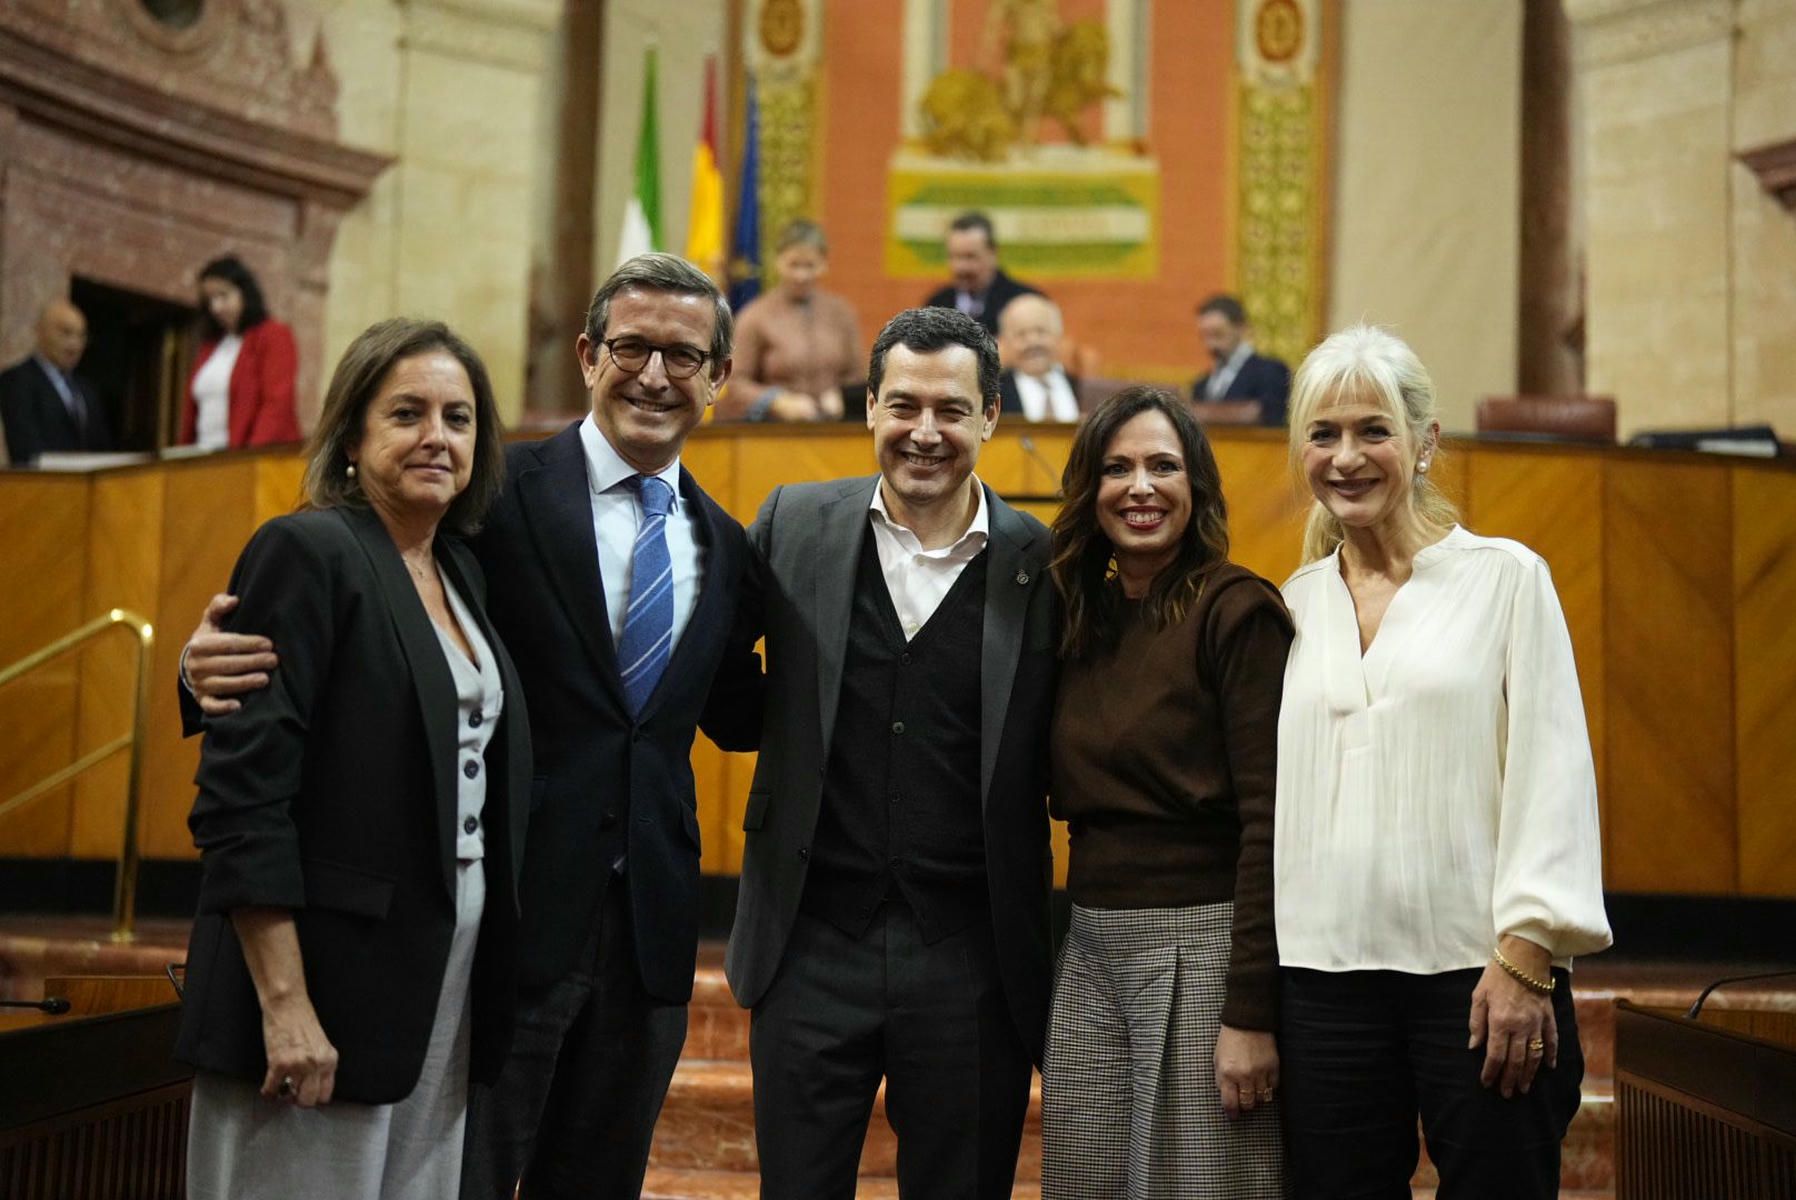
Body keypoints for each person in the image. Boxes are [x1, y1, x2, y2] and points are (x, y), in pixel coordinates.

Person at [179, 253, 762, 1200]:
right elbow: (341, 605)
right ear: (587, 354)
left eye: (684, 356)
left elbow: (743, 711)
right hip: (503, 927)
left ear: (720, 378)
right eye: (633, 347)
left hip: (648, 939)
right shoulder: (484, 494)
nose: (656, 374)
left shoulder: (726, 543)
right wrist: (194, 667)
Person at [175, 317, 529, 1200]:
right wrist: (286, 1005)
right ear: (352, 435)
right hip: (318, 985)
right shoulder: (308, 550)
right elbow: (243, 798)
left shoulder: (457, 570)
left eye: (458, 417)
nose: (435, 438)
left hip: (436, 982)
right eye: (406, 413)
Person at [721, 306, 1058, 1200]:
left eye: (951, 410)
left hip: (971, 961)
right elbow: (715, 680)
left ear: (991, 416)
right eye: (902, 404)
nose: (924, 432)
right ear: (869, 405)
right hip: (809, 943)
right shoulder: (793, 524)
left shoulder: (1043, 563)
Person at [1275, 324, 1612, 1199]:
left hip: (1480, 976)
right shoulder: (1290, 605)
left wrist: (1527, 954)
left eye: (1372, 430)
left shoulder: (1505, 578)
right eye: (1324, 434)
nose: (1347, 457)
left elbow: (1553, 773)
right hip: (1322, 983)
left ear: (1424, 443)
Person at [1041, 386, 1289, 1198]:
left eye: (1162, 465)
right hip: (1089, 950)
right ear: (1089, 488)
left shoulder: (1237, 610)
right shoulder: (1079, 615)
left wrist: (1250, 1009)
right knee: (1086, 1184)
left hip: (1205, 947)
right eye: (1117, 468)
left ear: (1198, 486)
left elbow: (1271, 820)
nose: (1139, 487)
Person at [718, 219, 862, 422]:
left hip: (833, 431)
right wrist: (777, 401)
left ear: (823, 264)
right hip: (773, 432)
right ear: (778, 262)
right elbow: (735, 382)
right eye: (793, 265)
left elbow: (857, 375)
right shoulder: (755, 315)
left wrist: (842, 395)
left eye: (810, 266)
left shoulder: (841, 313)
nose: (801, 275)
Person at [181, 254, 301, 449]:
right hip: (204, 456)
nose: (216, 307)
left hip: (251, 458)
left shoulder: (274, 335)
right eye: (210, 300)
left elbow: (277, 404)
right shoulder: (210, 347)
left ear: (244, 292)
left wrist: (248, 457)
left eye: (223, 295)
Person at [1, 299, 112, 464]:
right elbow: (25, 451)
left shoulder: (86, 390)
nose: (75, 345)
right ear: (40, 332)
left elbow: (102, 449)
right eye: (66, 333)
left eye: (81, 336)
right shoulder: (17, 380)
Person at [923, 211, 1042, 338]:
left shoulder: (1025, 302)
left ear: (993, 254)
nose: (961, 267)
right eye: (955, 257)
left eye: (970, 257)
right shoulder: (936, 305)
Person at [1190, 294, 1291, 427]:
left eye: (1218, 334)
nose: (1210, 345)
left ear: (1241, 328)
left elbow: (1266, 414)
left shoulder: (1270, 371)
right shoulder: (1202, 384)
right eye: (1205, 336)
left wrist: (1200, 412)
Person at [996, 293, 1083, 422]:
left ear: (1059, 335)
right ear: (1005, 343)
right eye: (1021, 335)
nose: (1033, 342)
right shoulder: (994, 395)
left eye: (1041, 331)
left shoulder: (1084, 388)